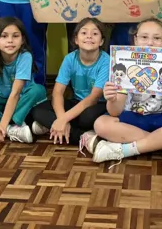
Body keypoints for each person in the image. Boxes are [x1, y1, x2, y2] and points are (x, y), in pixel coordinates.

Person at [91, 18, 162, 165]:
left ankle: (126, 150)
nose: (150, 43)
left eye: (157, 38)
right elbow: (114, 112)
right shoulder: (123, 63)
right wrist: (112, 99)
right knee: (101, 124)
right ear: (135, 40)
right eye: (144, 37)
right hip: (132, 118)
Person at [31, 18, 110, 153]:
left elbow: (93, 98)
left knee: (87, 118)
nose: (89, 36)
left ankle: (52, 126)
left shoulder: (106, 61)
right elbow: (57, 92)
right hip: (76, 102)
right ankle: (83, 137)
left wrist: (63, 119)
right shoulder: (69, 59)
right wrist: (63, 119)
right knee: (38, 110)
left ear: (102, 41)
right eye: (84, 33)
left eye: (95, 34)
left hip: (97, 105)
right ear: (76, 40)